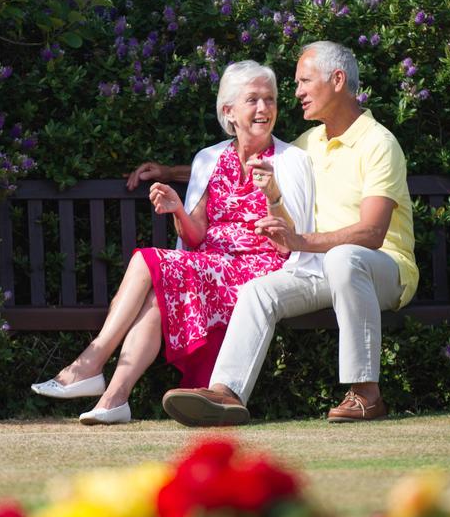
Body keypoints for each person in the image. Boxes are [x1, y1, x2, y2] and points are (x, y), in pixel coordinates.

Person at [140, 41, 418, 426]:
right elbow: (245, 156)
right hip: (319, 267)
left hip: (382, 269)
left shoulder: (378, 144)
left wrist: (299, 241)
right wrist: (171, 173)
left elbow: (371, 233)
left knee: (345, 257)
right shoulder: (309, 144)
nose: (297, 92)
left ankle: (366, 393)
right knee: (259, 290)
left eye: (304, 81)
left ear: (337, 80)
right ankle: (226, 393)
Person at [31, 60, 318, 425]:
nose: (264, 109)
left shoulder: (291, 161)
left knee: (147, 259)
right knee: (154, 296)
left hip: (260, 271)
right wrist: (178, 211)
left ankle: (91, 362)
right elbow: (195, 236)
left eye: (270, 100)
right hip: (211, 266)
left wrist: (273, 195)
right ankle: (113, 400)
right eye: (253, 100)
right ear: (229, 111)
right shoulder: (211, 159)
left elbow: (290, 246)